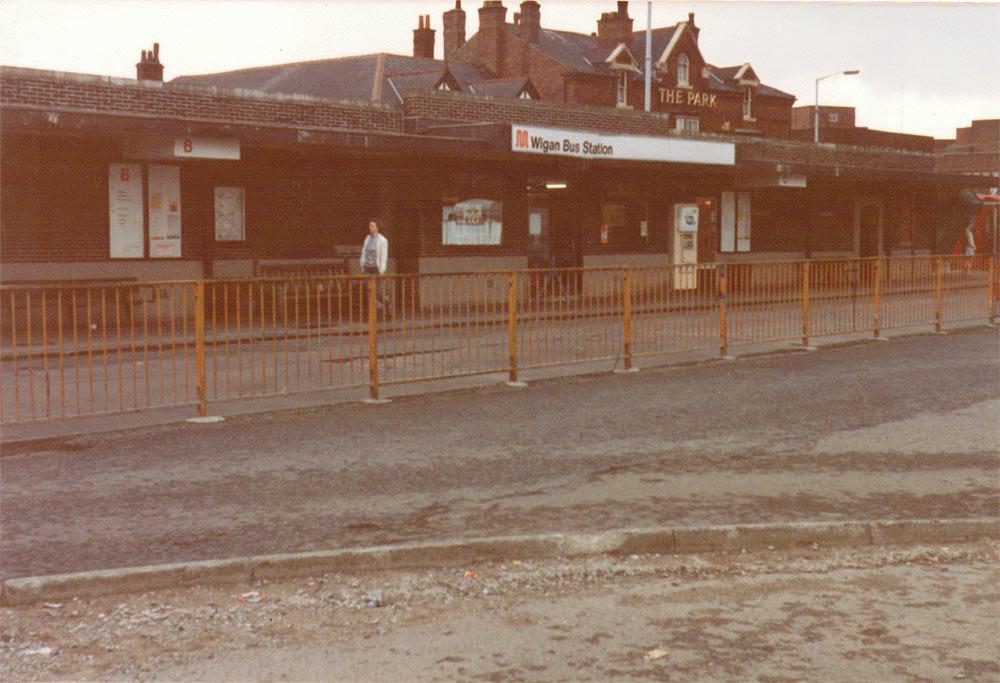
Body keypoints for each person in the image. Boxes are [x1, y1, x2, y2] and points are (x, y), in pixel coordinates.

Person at [360, 219, 390, 312]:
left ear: (377, 228)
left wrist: (382, 269)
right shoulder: (367, 238)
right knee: (368, 291)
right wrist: (362, 263)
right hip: (367, 268)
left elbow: (384, 255)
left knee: (375, 291)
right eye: (369, 226)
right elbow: (364, 252)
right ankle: (370, 313)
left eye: (372, 226)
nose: (370, 227)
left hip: (376, 268)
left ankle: (386, 302)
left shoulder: (382, 240)